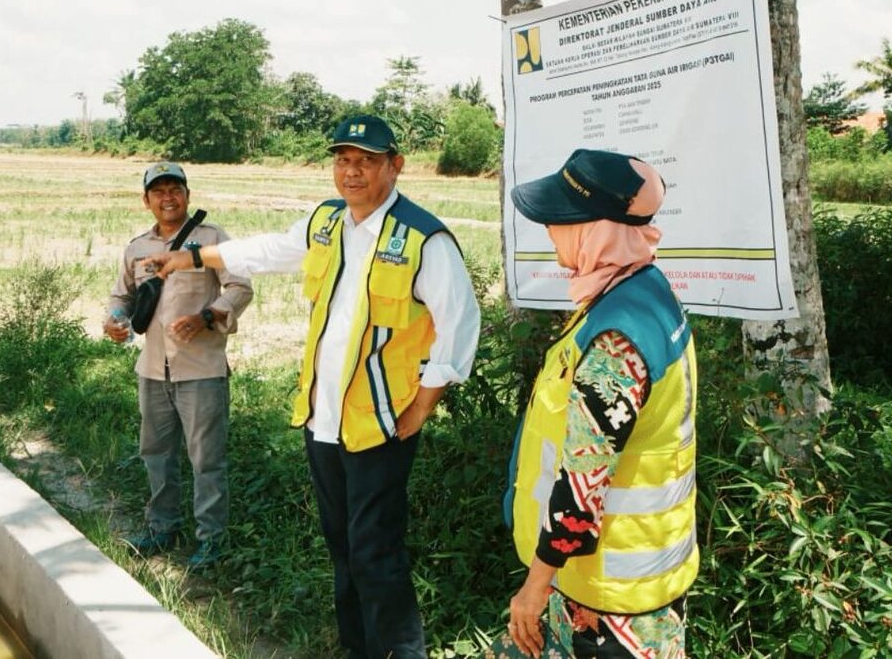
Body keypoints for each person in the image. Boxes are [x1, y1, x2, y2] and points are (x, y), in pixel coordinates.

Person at [144, 115, 481, 658]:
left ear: (395, 166)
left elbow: (460, 326)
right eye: (344, 160)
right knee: (343, 547)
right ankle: (358, 648)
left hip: (382, 423)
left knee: (376, 552)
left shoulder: (422, 238)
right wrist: (190, 256)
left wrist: (420, 410)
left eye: (366, 161)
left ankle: (398, 651)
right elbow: (271, 250)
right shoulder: (327, 221)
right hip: (323, 420)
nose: (352, 172)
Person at [491, 149, 697, 658]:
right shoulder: (638, 291)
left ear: (598, 229)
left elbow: (582, 488)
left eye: (562, 220)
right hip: (601, 584)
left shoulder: (618, 337)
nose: (551, 230)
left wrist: (533, 588)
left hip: (616, 606)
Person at [105, 161, 253, 569]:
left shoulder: (210, 240)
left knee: (206, 459)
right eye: (159, 191)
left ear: (188, 195)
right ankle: (161, 528)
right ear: (147, 200)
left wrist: (207, 317)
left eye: (175, 189)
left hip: (201, 369)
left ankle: (211, 541)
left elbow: (240, 287)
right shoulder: (137, 248)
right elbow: (123, 296)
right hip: (151, 370)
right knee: (155, 453)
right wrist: (115, 320)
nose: (168, 197)